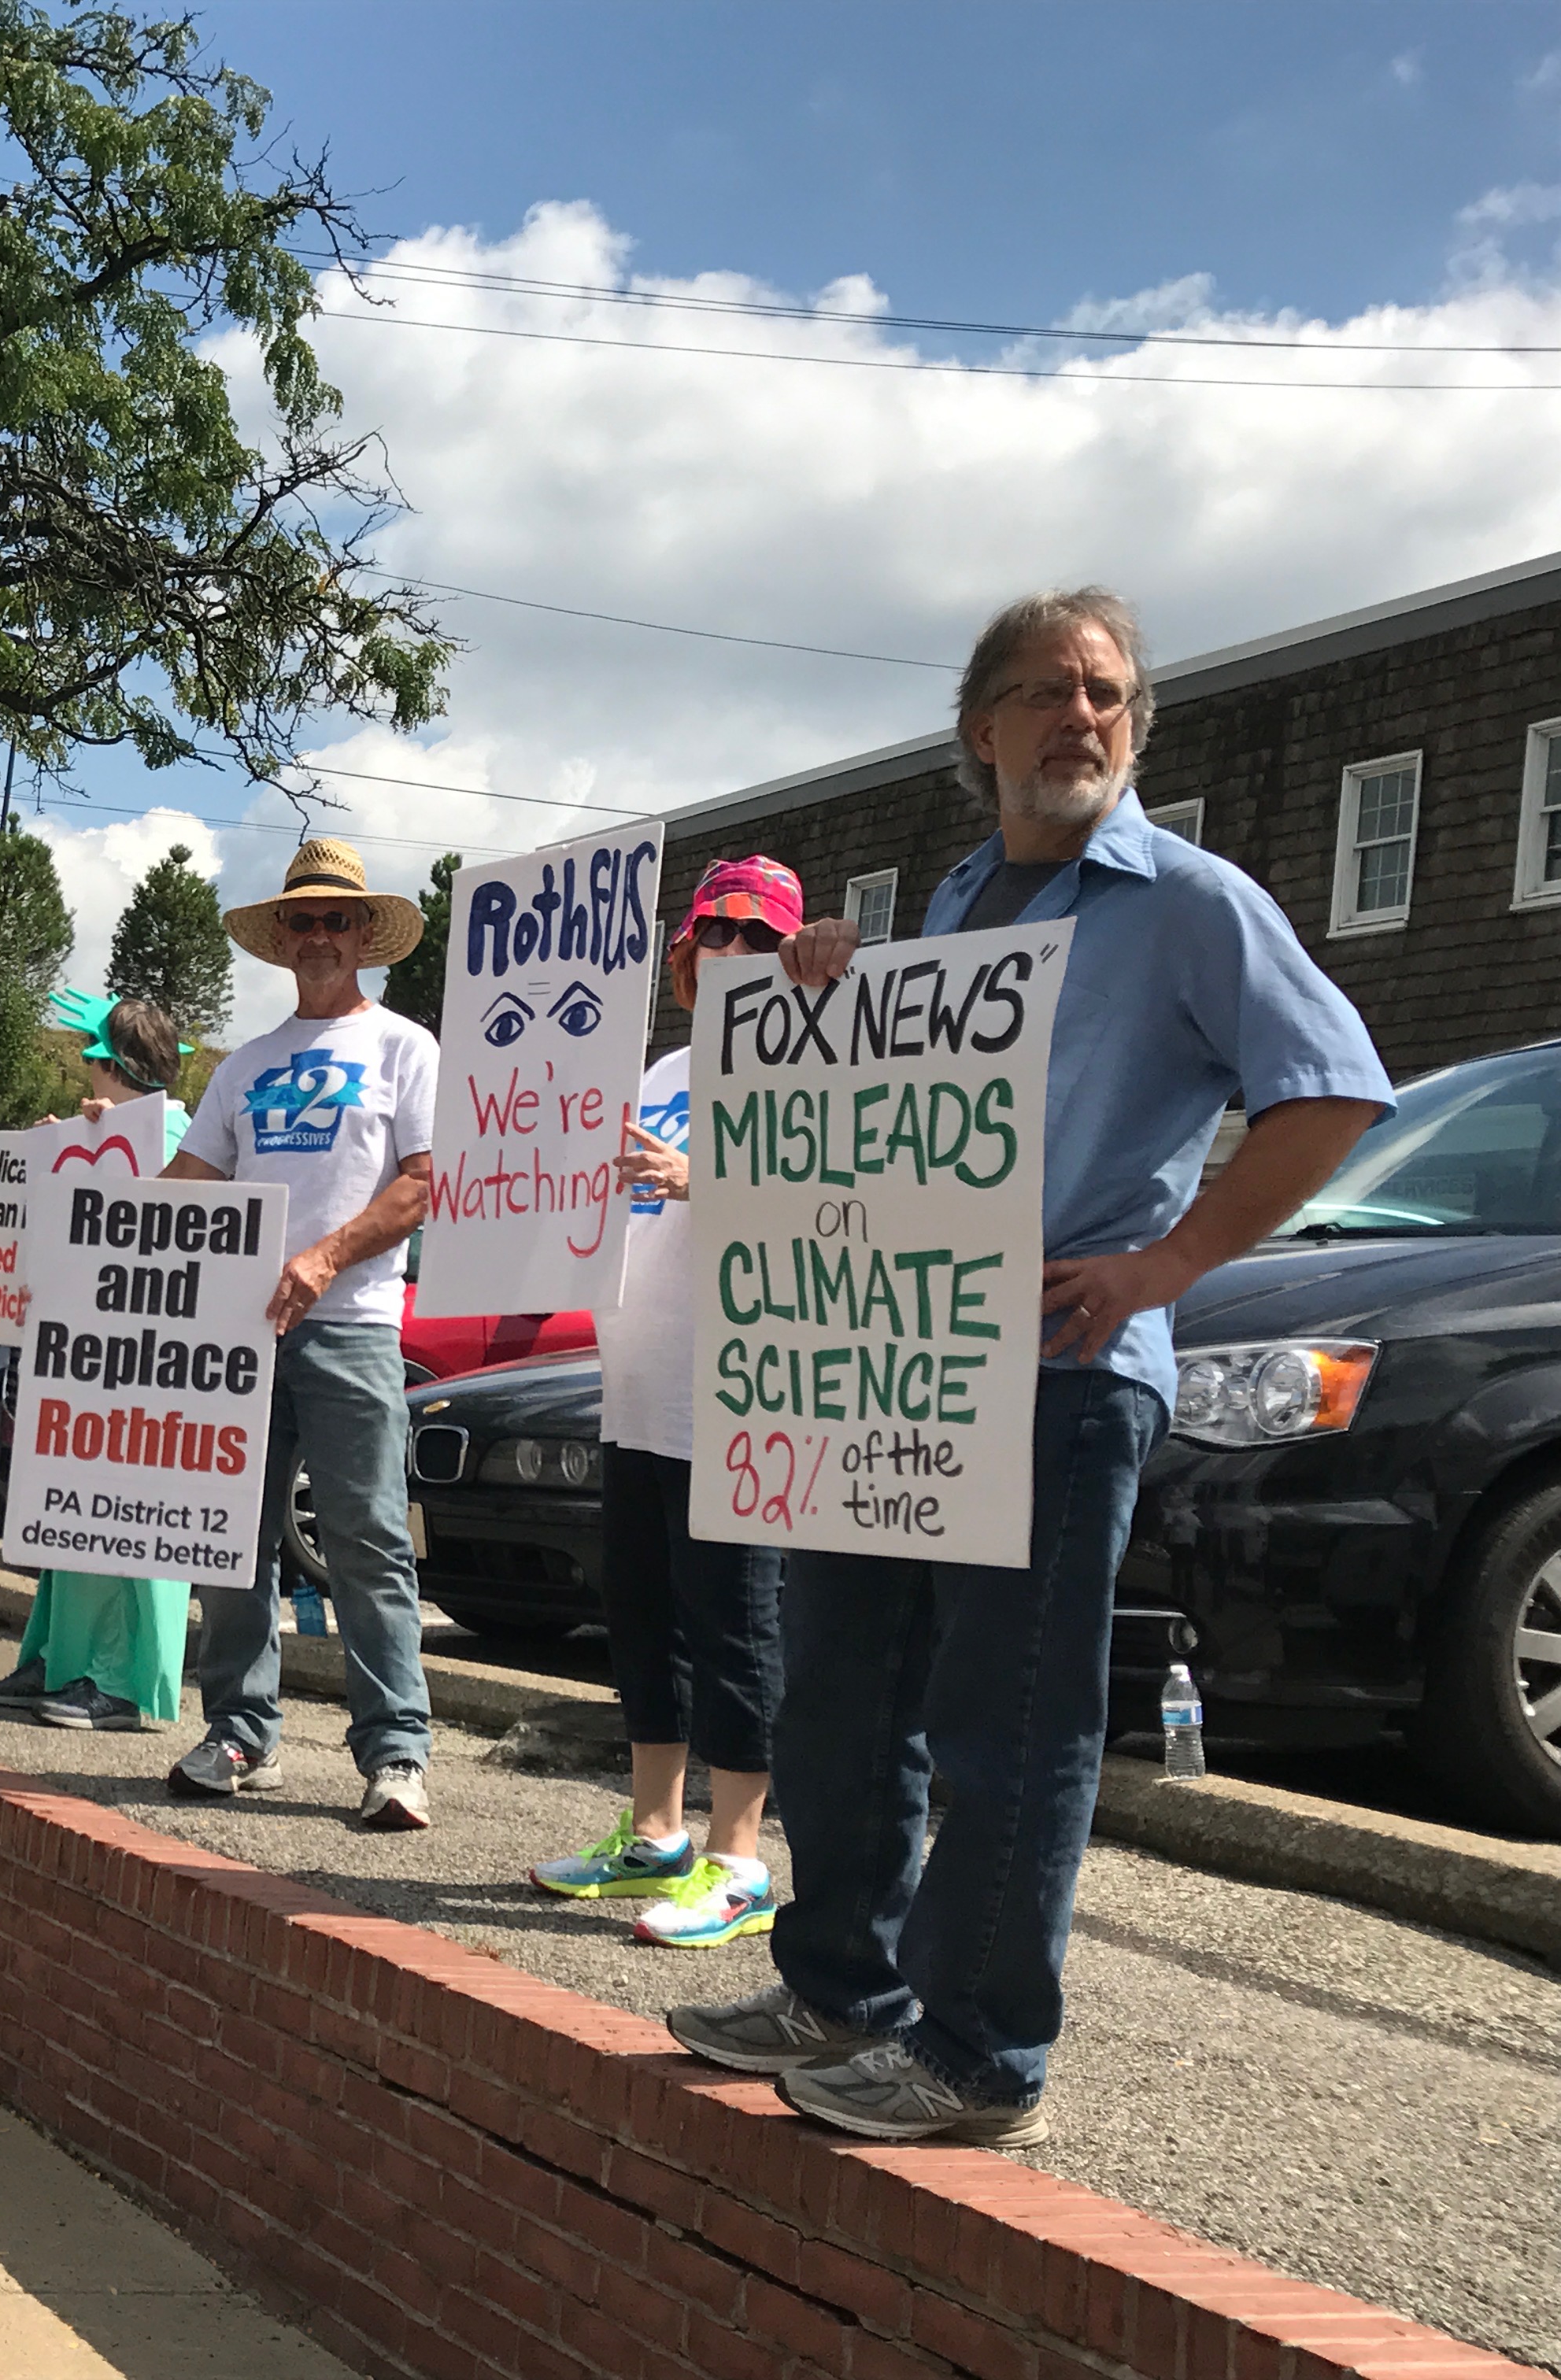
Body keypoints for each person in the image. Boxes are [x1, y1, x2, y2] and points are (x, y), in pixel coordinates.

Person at [668, 587, 1392, 2146]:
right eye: (1052, 692)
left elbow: (1329, 1098)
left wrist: (1171, 1266)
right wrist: (835, 992)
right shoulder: (960, 904)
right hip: (889, 1358)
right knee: (844, 1691)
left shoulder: (1194, 902)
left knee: (1010, 1713)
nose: (1086, 719)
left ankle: (981, 2055)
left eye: (1112, 695)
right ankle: (838, 1990)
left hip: (1063, 1368)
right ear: (979, 729)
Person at [527, 857, 801, 1947]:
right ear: (686, 958)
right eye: (713, 935)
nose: (732, 951)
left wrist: (704, 1182)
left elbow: (838, 1200)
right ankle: (657, 1833)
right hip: (635, 1392)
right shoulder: (658, 1070)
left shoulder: (804, 1065)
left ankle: (741, 1857)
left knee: (735, 1624)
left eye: (756, 936)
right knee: (641, 1616)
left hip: (737, 1400)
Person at [161, 838, 438, 1831]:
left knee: (366, 1539)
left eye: (337, 920)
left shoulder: (406, 1047)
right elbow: (181, 1192)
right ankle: (241, 1733)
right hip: (236, 1336)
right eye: (304, 921)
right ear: (282, 940)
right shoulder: (243, 1067)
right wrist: (74, 1230)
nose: (320, 935)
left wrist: (323, 1260)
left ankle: (397, 1751)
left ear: (365, 935)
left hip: (356, 1325)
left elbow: (420, 1183)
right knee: (226, 1538)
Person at [0, 992, 197, 1728]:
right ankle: (61, 1658)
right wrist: (56, 1160)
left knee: (131, 1517)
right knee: (72, 1506)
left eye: (93, 1058)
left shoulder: (176, 1137)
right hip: (82, 1354)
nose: (87, 1073)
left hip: (146, 1362)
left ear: (111, 1064)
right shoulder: (115, 1134)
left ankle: (127, 1681)